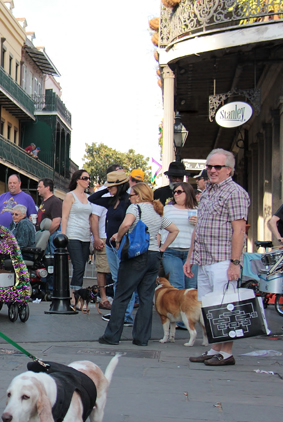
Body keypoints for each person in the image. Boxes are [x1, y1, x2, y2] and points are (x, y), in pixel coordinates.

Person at [185, 149, 249, 367]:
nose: (211, 170)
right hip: (204, 259)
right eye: (209, 166)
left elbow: (239, 230)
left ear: (228, 170)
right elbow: (199, 227)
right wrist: (189, 257)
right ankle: (215, 349)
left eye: (217, 167)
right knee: (210, 308)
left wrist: (235, 263)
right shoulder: (208, 191)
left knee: (225, 307)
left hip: (223, 259)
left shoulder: (235, 192)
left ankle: (227, 353)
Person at [99, 183, 179, 346]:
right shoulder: (157, 211)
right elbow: (174, 230)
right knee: (146, 297)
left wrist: (119, 237)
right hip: (154, 255)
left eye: (132, 195)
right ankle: (142, 338)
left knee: (122, 295)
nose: (130, 198)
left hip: (136, 256)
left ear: (139, 195)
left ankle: (112, 336)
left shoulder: (135, 209)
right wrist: (162, 247)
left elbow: (127, 224)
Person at [89, 170, 134, 326]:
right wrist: (106, 187)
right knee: (116, 279)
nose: (108, 189)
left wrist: (120, 236)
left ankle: (126, 314)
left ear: (121, 186)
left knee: (125, 279)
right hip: (110, 244)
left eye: (111, 186)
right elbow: (92, 197)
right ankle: (120, 312)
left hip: (122, 244)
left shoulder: (128, 201)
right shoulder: (110, 200)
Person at [89, 166, 123, 310]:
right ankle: (103, 297)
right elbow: (94, 218)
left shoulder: (125, 196)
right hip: (104, 236)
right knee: (103, 268)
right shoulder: (104, 194)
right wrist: (96, 238)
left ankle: (118, 298)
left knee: (118, 271)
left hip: (120, 238)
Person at [61, 169, 93, 306]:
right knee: (78, 265)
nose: (87, 181)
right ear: (78, 180)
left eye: (89, 178)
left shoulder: (88, 197)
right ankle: (74, 296)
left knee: (82, 266)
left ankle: (77, 293)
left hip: (85, 235)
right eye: (85, 178)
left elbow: (91, 218)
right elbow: (65, 217)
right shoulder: (70, 195)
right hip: (73, 234)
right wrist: (63, 237)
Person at [161, 182, 198, 289]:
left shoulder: (197, 210)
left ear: (188, 193)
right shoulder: (167, 209)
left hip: (192, 252)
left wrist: (199, 223)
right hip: (171, 251)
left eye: (179, 192)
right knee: (176, 285)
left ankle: (187, 306)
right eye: (174, 192)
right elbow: (160, 229)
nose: (176, 194)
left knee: (191, 287)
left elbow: (205, 231)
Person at [35, 178, 62, 250]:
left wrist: (45, 236)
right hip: (43, 237)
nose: (38, 189)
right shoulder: (44, 201)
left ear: (47, 188)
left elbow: (56, 222)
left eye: (40, 187)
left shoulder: (55, 201)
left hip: (49, 240)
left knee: (50, 260)